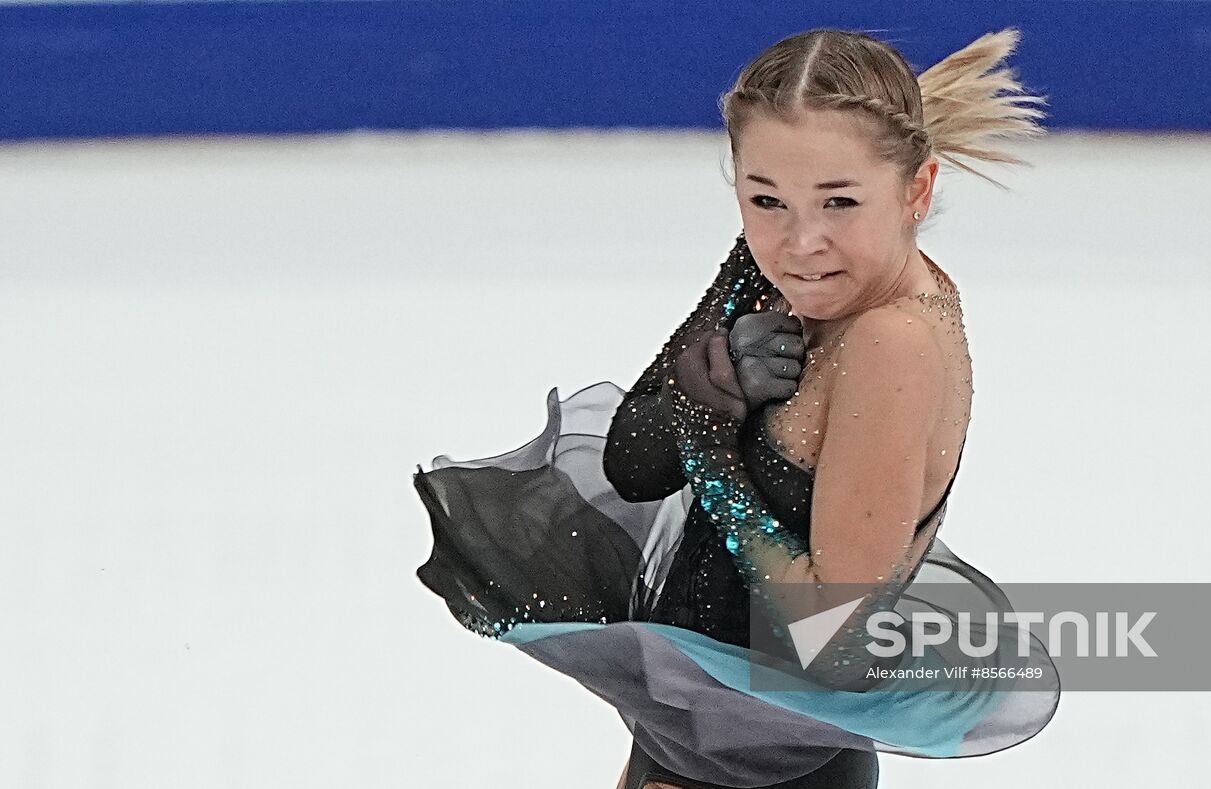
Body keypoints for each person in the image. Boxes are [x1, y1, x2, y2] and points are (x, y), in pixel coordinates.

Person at [413, 27, 1060, 789]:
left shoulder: (894, 342)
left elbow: (832, 629)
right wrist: (700, 393)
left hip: (774, 762)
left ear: (917, 189)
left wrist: (711, 449)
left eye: (840, 201)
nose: (801, 241)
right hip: (691, 731)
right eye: (766, 199)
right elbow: (629, 462)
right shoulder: (765, 266)